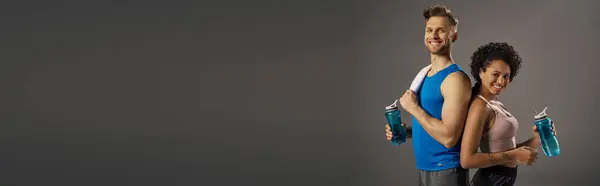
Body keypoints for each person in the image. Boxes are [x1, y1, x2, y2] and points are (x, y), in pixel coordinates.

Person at [385, 4, 472, 186]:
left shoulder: (455, 79)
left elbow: (449, 138)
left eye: (441, 31)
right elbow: (433, 124)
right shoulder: (425, 75)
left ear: (453, 36)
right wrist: (405, 132)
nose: (433, 35)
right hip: (425, 168)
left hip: (446, 169)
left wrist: (413, 108)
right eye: (429, 30)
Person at [459, 42, 557, 186]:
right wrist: (515, 155)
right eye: (495, 74)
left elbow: (505, 150)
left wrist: (537, 139)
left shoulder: (494, 103)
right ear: (481, 72)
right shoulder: (479, 107)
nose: (501, 81)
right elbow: (467, 160)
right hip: (490, 181)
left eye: (506, 76)